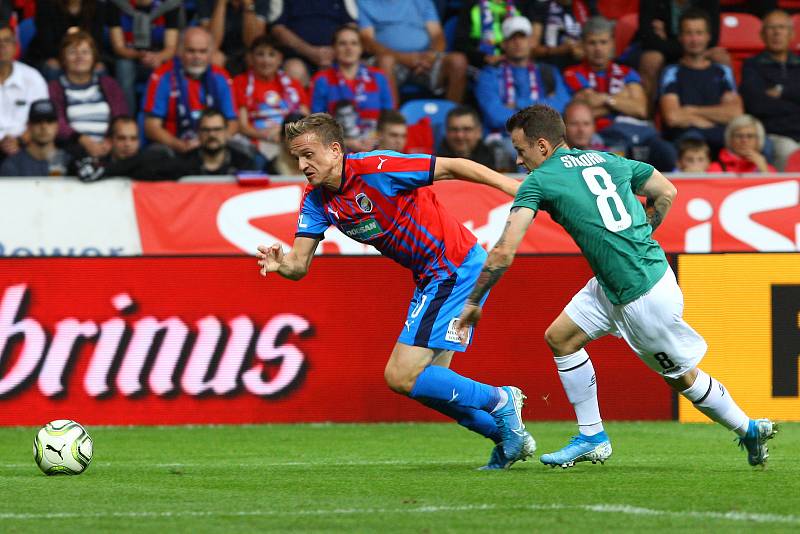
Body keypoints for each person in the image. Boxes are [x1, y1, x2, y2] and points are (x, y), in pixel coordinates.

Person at [456, 104, 778, 469]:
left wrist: (474, 301)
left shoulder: (540, 180)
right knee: (561, 337)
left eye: (521, 150)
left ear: (543, 146)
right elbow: (666, 190)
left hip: (642, 296)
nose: (518, 160)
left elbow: (502, 251)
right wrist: (639, 235)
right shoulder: (607, 159)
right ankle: (592, 436)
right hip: (625, 279)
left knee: (682, 378)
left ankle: (749, 427)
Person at [255, 112, 534, 470]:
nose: (302, 165)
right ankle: (507, 438)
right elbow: (299, 264)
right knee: (432, 388)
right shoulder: (317, 200)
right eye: (297, 157)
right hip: (431, 277)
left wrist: (522, 191)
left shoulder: (378, 167)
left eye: (309, 155)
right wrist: (281, 265)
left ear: (336, 150)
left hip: (454, 267)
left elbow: (456, 166)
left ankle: (502, 400)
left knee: (401, 376)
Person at [565, 16, 676, 170]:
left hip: (640, 133)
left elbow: (641, 109)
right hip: (603, 137)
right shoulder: (573, 73)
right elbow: (586, 109)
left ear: (612, 44)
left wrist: (605, 99)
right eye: (592, 43)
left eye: (603, 42)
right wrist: (622, 99)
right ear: (583, 45)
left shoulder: (626, 72)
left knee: (667, 154)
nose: (598, 48)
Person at [475, 16, 570, 166]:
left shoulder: (548, 72)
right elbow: (495, 115)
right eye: (512, 38)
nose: (518, 42)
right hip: (504, 139)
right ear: (504, 44)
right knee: (517, 151)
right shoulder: (489, 74)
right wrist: (539, 114)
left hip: (545, 138)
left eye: (522, 37)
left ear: (531, 42)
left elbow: (561, 105)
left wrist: (517, 104)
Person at [659, 8, 743, 155]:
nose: (694, 39)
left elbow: (735, 113)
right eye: (689, 33)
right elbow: (673, 117)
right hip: (687, 137)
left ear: (708, 36)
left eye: (699, 33)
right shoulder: (671, 72)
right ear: (680, 37)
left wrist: (691, 111)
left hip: (721, 136)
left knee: (759, 143)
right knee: (694, 142)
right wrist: (713, 118)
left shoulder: (722, 71)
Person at [143, 27, 238, 155]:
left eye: (202, 51)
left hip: (213, 141)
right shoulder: (161, 77)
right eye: (191, 51)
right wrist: (178, 145)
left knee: (242, 149)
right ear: (179, 51)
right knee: (157, 154)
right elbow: (151, 126)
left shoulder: (221, 77)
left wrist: (214, 141)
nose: (197, 57)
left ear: (210, 54)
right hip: (174, 144)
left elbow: (232, 122)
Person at [358, 0, 468, 104]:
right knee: (386, 61)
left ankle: (453, 118)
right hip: (392, 59)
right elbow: (368, 41)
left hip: (425, 59)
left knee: (458, 61)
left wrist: (430, 56)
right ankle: (391, 120)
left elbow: (438, 35)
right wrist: (403, 58)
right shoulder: (365, 2)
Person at [311, 25, 394, 153]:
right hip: (336, 150)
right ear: (334, 49)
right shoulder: (322, 80)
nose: (349, 48)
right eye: (342, 44)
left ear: (361, 48)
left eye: (354, 43)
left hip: (376, 148)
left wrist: (376, 140)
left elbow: (389, 118)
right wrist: (346, 142)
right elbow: (317, 123)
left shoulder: (378, 77)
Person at [48, 31, 129, 159]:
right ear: (63, 59)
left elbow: (120, 117)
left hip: (108, 150)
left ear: (94, 58)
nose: (79, 57)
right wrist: (84, 141)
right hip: (72, 151)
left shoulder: (109, 84)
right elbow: (57, 123)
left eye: (85, 52)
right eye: (72, 52)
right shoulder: (55, 88)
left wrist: (109, 141)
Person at [633, 0, 728, 107]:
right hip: (662, 52)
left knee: (720, 57)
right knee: (651, 59)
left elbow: (712, 39)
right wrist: (686, 46)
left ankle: (724, 108)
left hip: (688, 48)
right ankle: (646, 113)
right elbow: (648, 39)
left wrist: (667, 41)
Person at [740, 9, 800, 171]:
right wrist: (794, 101)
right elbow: (757, 104)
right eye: (771, 28)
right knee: (789, 152)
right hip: (775, 135)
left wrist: (782, 92)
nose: (776, 32)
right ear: (762, 34)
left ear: (792, 34)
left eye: (781, 27)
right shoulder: (752, 66)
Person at [234, 35, 309, 162]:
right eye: (260, 54)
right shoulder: (240, 83)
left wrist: (284, 135)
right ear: (251, 58)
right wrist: (267, 135)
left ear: (280, 59)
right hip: (258, 142)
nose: (266, 60)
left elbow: (306, 119)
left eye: (271, 54)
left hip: (290, 141)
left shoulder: (293, 85)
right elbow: (242, 126)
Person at [107, 0, 181, 113]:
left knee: (164, 68)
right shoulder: (117, 4)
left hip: (157, 57)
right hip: (130, 56)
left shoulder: (168, 5)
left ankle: (156, 116)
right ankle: (127, 118)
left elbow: (170, 49)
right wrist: (140, 54)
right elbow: (119, 48)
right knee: (124, 66)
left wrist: (157, 57)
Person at [71, 115, 189, 181]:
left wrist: (106, 170)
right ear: (110, 141)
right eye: (122, 138)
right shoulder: (99, 161)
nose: (128, 144)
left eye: (133, 139)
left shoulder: (150, 159)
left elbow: (179, 168)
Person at [271, 0, 357, 87]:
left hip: (336, 55)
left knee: (350, 67)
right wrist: (310, 51)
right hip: (299, 55)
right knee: (294, 70)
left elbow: (351, 26)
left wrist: (335, 50)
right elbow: (278, 30)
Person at [0, 22, 49, 162]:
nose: (2, 46)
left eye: (7, 41)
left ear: (16, 46)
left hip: (25, 146)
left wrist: (20, 141)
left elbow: (42, 120)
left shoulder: (33, 78)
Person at [25, 0, 108, 80]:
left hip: (84, 54)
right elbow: (46, 44)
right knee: (53, 68)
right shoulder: (46, 5)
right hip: (50, 55)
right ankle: (55, 94)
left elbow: (97, 42)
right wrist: (65, 59)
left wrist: (91, 59)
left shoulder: (97, 6)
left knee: (99, 69)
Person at [452, 0, 540, 70]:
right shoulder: (471, 4)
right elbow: (460, 43)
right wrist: (485, 58)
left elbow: (527, 40)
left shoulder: (519, 6)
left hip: (514, 62)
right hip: (479, 64)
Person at [198, 0, 269, 76]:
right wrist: (221, 4)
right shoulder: (205, 2)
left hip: (246, 51)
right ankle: (220, 87)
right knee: (214, 58)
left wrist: (248, 5)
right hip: (220, 51)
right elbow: (213, 43)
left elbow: (253, 43)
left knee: (255, 58)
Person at [0, 99, 70, 176]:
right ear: (28, 126)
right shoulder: (12, 165)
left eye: (50, 121)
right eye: (37, 121)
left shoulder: (70, 163)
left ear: (57, 126)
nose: (44, 126)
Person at [176, 108, 257, 175]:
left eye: (217, 129)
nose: (212, 134)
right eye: (206, 130)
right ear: (198, 132)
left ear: (226, 132)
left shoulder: (244, 164)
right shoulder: (183, 165)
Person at [530, 0, 592, 70]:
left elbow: (596, 40)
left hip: (579, 71)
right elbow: (532, 49)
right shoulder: (542, 6)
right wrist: (559, 50)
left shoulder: (585, 6)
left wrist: (583, 51)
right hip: (549, 70)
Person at [707, 115, 776, 173]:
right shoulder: (715, 168)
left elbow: (774, 189)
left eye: (750, 136)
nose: (744, 140)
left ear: (758, 140)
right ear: (730, 139)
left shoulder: (767, 169)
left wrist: (764, 170)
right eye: (739, 136)